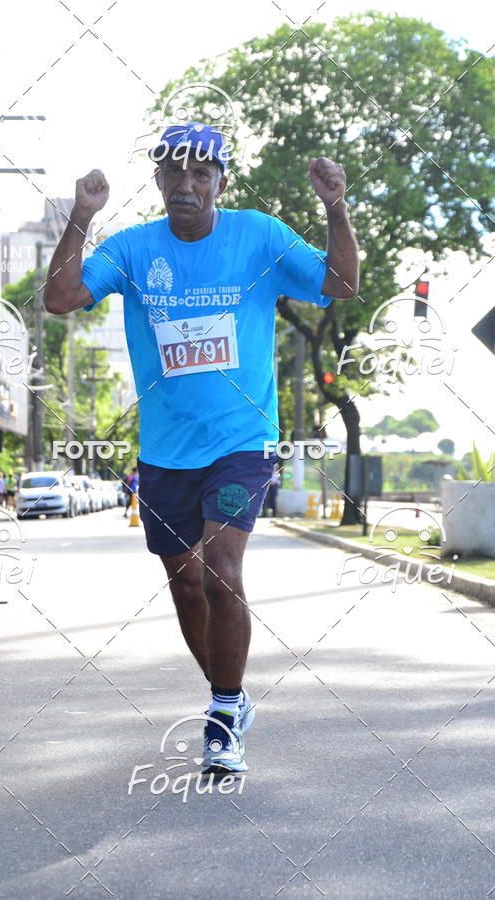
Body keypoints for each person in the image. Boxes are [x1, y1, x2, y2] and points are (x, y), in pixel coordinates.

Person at [43, 123, 358, 774]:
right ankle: (230, 695)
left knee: (220, 568)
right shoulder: (133, 249)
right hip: (164, 448)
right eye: (173, 172)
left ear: (219, 182)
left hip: (242, 440)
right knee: (186, 583)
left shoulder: (260, 238)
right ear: (157, 180)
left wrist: (335, 208)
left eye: (201, 173)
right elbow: (60, 298)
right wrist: (80, 214)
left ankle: (221, 713)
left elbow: (340, 284)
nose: (186, 184)